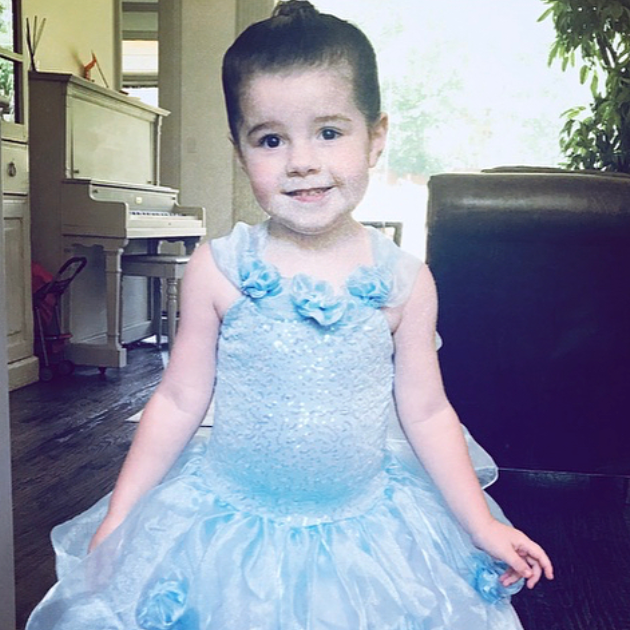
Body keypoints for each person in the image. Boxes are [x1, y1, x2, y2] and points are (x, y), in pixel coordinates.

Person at [26, 2, 553, 629]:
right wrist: (121, 515)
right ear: (240, 150)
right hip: (228, 527)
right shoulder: (218, 269)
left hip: (366, 532)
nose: (301, 161)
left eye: (329, 132)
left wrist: (482, 524)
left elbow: (427, 411)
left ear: (376, 137)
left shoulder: (405, 282)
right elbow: (178, 399)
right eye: (271, 140)